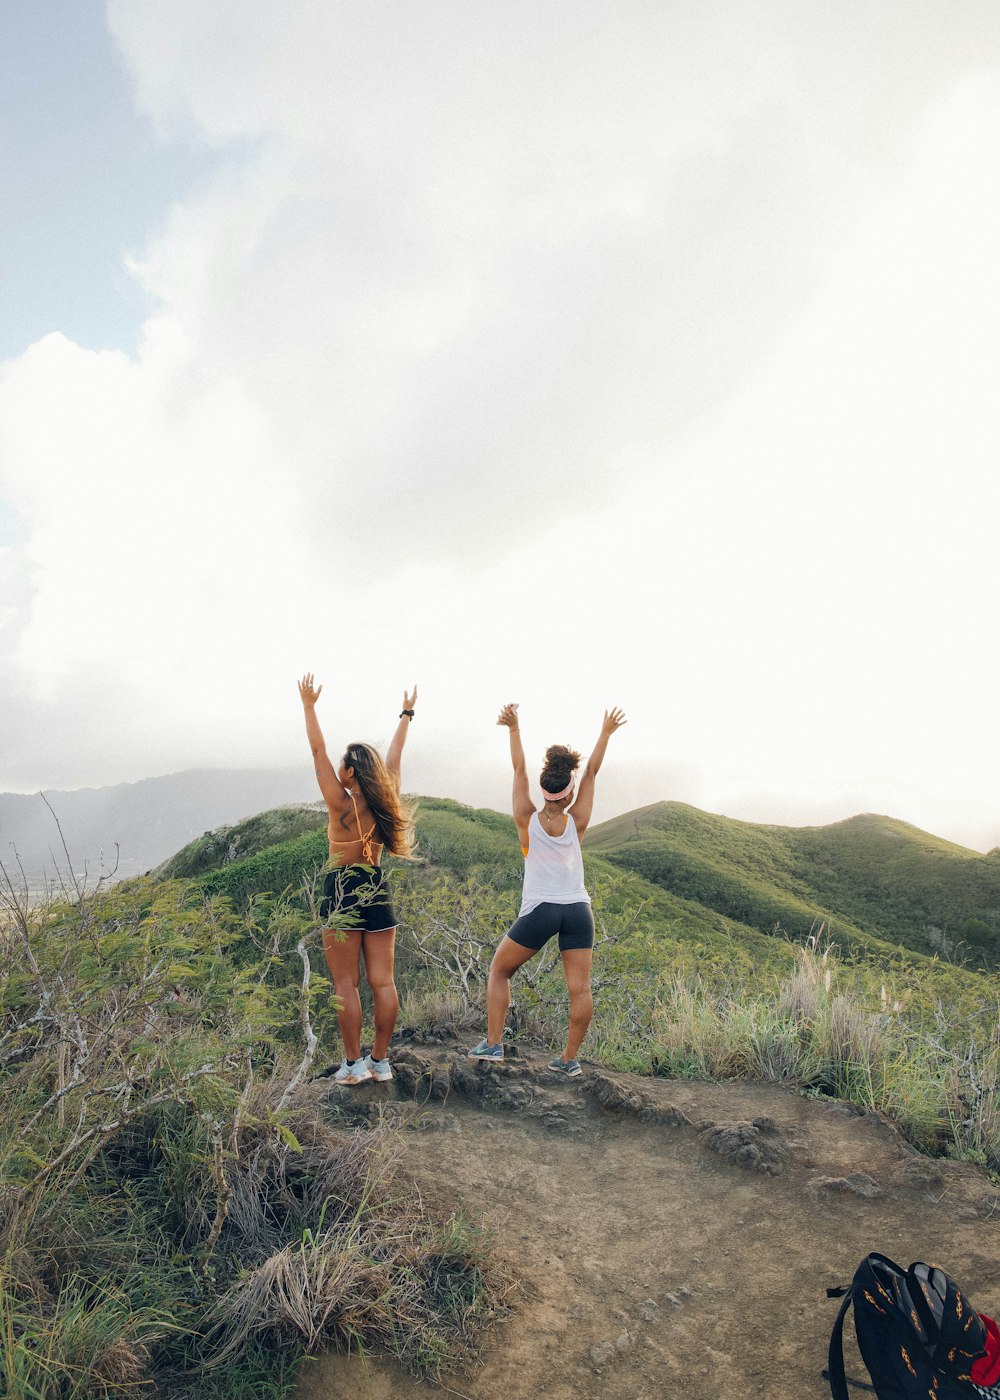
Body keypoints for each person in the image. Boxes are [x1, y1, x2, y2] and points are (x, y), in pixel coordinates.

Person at [468, 703, 627, 1076]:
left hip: (540, 910)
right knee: (579, 988)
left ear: (544, 791)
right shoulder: (579, 820)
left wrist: (513, 728)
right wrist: (605, 732)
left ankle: (493, 1045)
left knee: (499, 971)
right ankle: (569, 1060)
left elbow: (519, 769)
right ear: (569, 794)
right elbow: (592, 771)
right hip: (577, 911)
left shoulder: (527, 819)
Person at [298, 673, 416, 1085]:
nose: (339, 768)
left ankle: (352, 1066)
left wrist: (309, 705)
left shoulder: (338, 803)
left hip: (342, 889)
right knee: (382, 981)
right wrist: (406, 714)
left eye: (344, 765)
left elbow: (317, 751)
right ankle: (380, 1062)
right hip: (377, 887)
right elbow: (396, 755)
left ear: (349, 773)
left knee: (344, 982)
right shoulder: (388, 801)